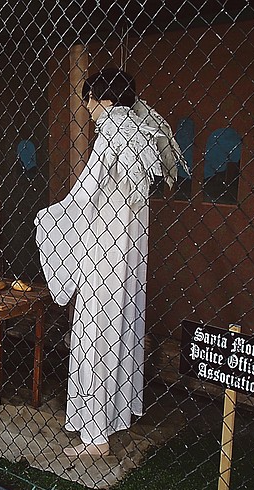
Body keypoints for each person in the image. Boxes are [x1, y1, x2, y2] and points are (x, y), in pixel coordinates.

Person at [35, 69, 163, 457]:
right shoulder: (140, 132)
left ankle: (95, 436)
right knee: (120, 328)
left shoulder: (110, 133)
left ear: (105, 99)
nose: (87, 107)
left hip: (103, 251)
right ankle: (115, 415)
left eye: (90, 98)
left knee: (93, 336)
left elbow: (84, 194)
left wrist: (47, 217)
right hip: (129, 252)